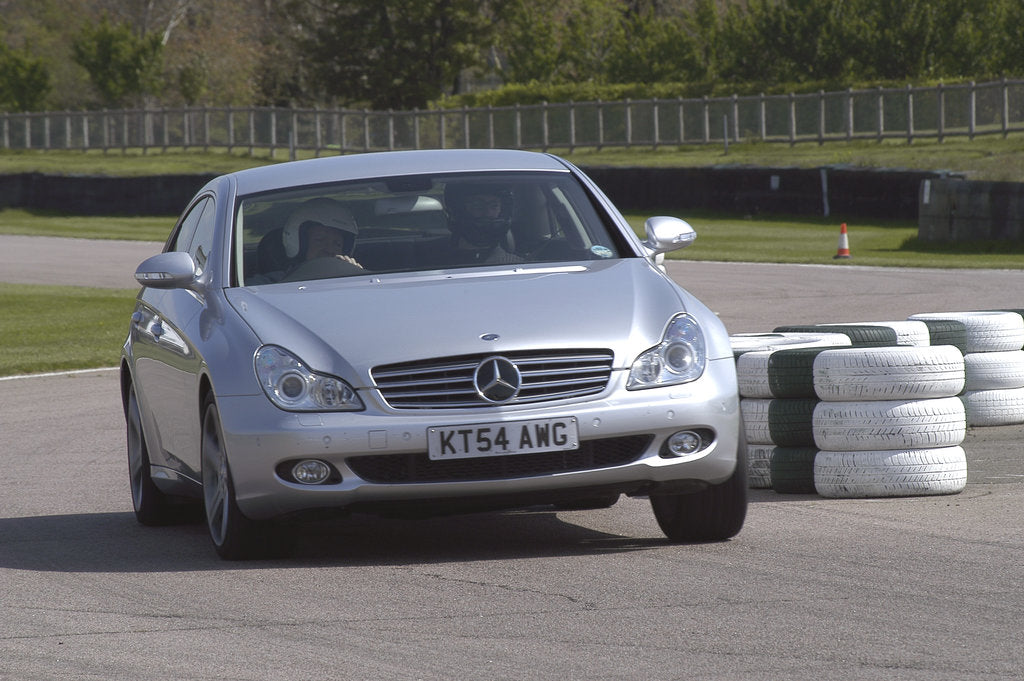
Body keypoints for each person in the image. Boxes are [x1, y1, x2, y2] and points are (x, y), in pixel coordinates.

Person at [441, 182, 523, 265]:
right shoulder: (431, 260)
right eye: (477, 205)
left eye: (494, 205)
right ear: (456, 211)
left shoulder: (518, 266)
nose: (487, 213)